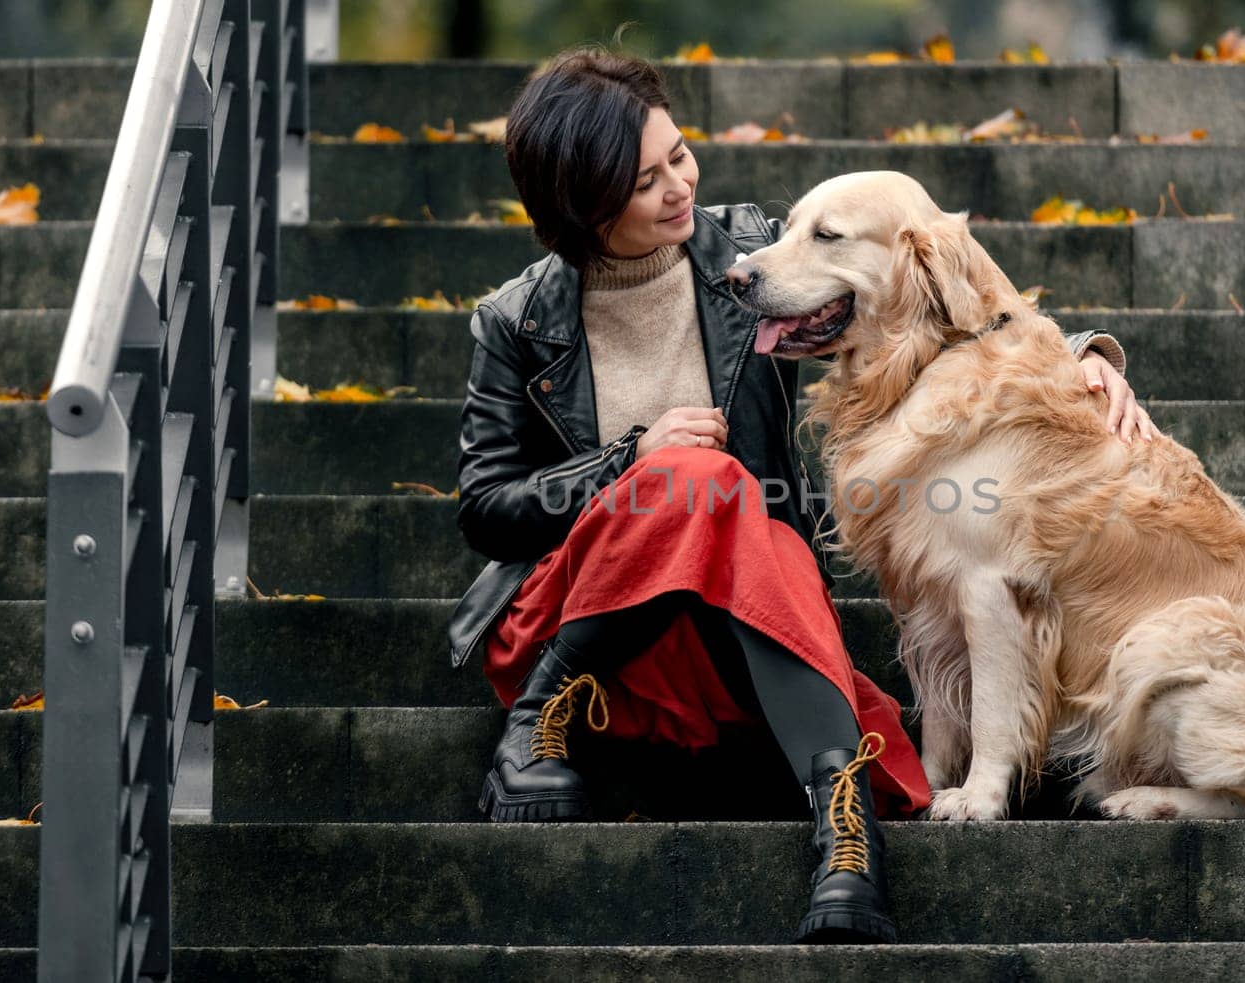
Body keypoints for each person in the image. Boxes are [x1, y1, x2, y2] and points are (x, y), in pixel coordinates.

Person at [444, 46, 1157, 945]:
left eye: (679, 156)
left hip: (732, 625)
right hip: (588, 629)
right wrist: (631, 456)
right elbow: (485, 507)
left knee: (744, 520)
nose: (678, 188)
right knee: (698, 474)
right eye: (642, 182)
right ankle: (559, 730)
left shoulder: (756, 254)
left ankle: (846, 829)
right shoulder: (514, 322)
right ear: (580, 207)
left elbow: (933, 281)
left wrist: (1083, 356)